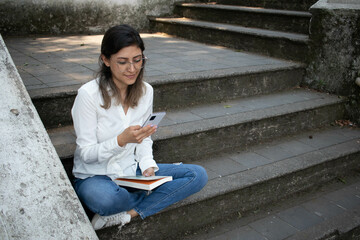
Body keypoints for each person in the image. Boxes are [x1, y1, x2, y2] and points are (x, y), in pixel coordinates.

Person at [71, 24, 208, 230]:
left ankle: (128, 214)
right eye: (123, 62)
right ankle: (149, 195)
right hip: (95, 175)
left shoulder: (145, 91)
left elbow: (145, 136)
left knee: (198, 175)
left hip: (130, 170)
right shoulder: (88, 95)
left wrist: (147, 165)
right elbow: (87, 154)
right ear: (106, 60)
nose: (132, 69)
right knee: (107, 200)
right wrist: (120, 141)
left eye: (138, 60)